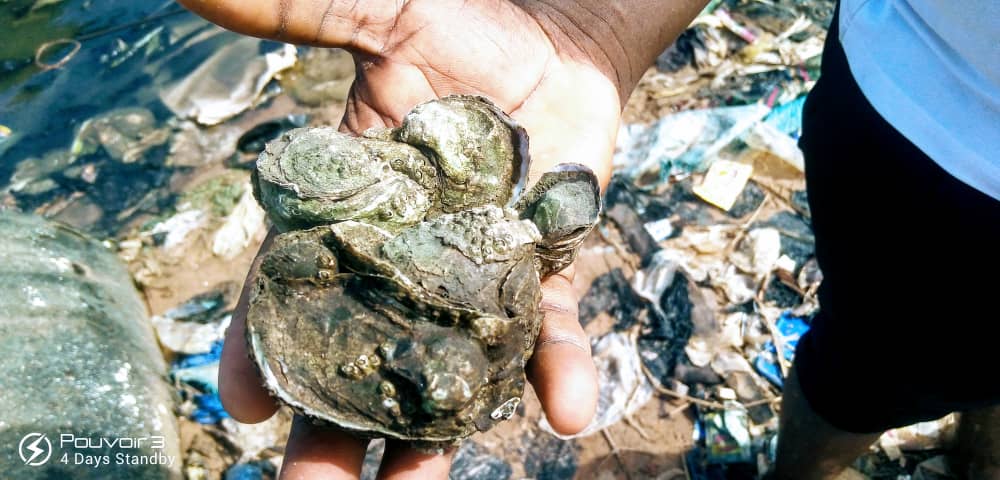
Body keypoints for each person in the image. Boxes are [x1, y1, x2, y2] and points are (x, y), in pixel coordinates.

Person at [176, 1, 999, 478]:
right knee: (879, 355)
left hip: (919, 111)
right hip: (922, 115)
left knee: (955, 359)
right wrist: (594, 23)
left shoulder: (475, 237)